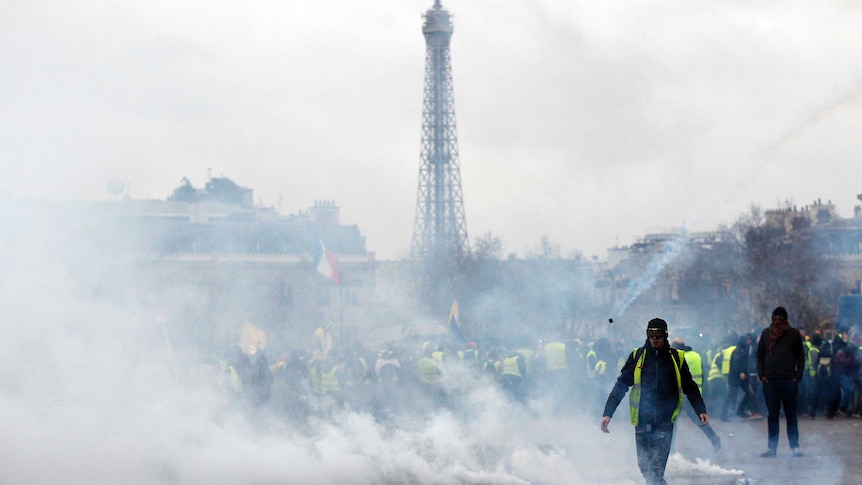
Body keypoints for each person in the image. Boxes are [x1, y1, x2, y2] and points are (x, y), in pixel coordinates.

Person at [601, 318, 709, 485]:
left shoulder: (676, 357)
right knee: (645, 468)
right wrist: (608, 413)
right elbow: (621, 385)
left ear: (665, 335)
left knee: (656, 471)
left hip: (664, 421)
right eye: (651, 335)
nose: (655, 339)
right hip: (642, 421)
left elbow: (690, 386)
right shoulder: (637, 356)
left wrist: (700, 409)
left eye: (658, 335)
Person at [757, 306, 806, 457]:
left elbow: (801, 357)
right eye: (775, 317)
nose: (777, 320)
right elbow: (760, 356)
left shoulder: (793, 334)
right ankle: (772, 448)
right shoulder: (766, 334)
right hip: (770, 381)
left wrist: (797, 376)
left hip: (788, 380)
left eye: (780, 317)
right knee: (772, 415)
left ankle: (794, 446)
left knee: (790, 414)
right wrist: (762, 375)